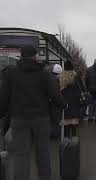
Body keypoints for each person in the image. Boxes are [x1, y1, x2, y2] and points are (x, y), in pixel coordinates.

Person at [0, 46, 66, 180]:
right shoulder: (44, 73)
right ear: (35, 55)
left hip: (18, 119)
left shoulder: (11, 73)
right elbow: (54, 94)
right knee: (43, 152)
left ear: (21, 55)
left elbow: (3, 97)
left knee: (21, 154)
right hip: (41, 119)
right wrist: (63, 104)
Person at [59, 61, 85, 136]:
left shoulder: (60, 77)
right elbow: (82, 88)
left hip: (64, 102)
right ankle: (73, 139)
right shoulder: (76, 76)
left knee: (66, 122)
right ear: (72, 67)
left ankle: (66, 139)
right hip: (75, 102)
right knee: (73, 122)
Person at [49, 64, 63, 139]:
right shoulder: (55, 82)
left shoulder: (48, 78)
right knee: (55, 121)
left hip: (47, 104)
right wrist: (63, 104)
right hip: (54, 105)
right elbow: (57, 95)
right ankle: (54, 135)